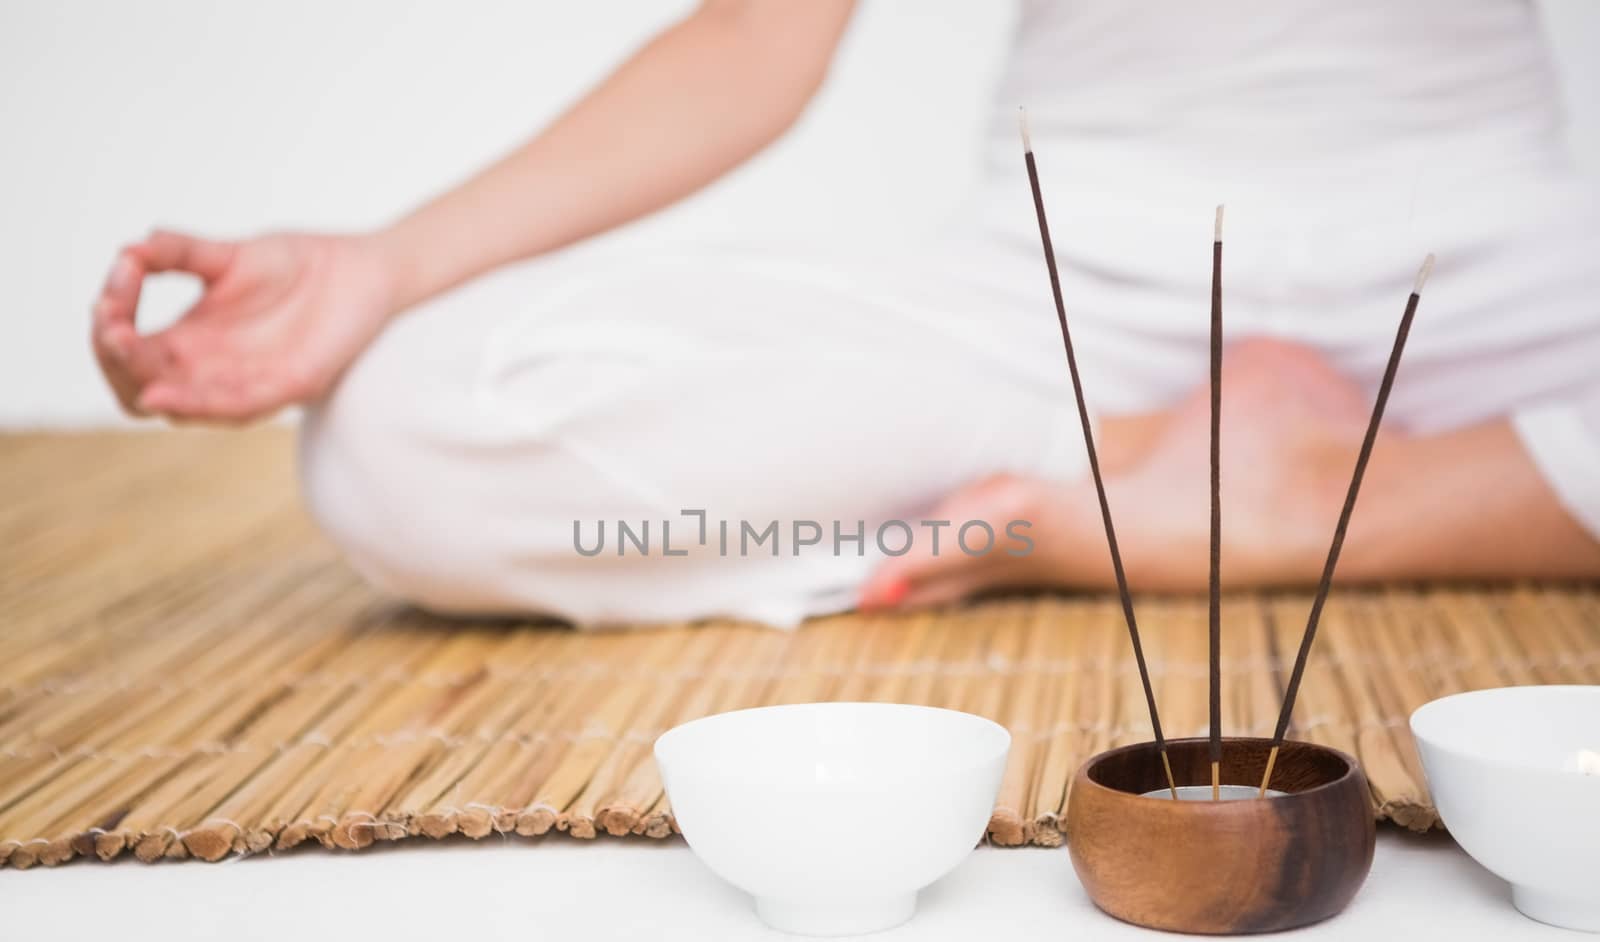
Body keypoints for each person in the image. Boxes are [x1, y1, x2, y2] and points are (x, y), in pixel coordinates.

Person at [89, 0, 1600, 627]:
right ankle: (1191, 463)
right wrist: (386, 265)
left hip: (1509, 278)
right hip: (1072, 292)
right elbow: (765, 28)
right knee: (403, 434)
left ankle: (1295, 501)